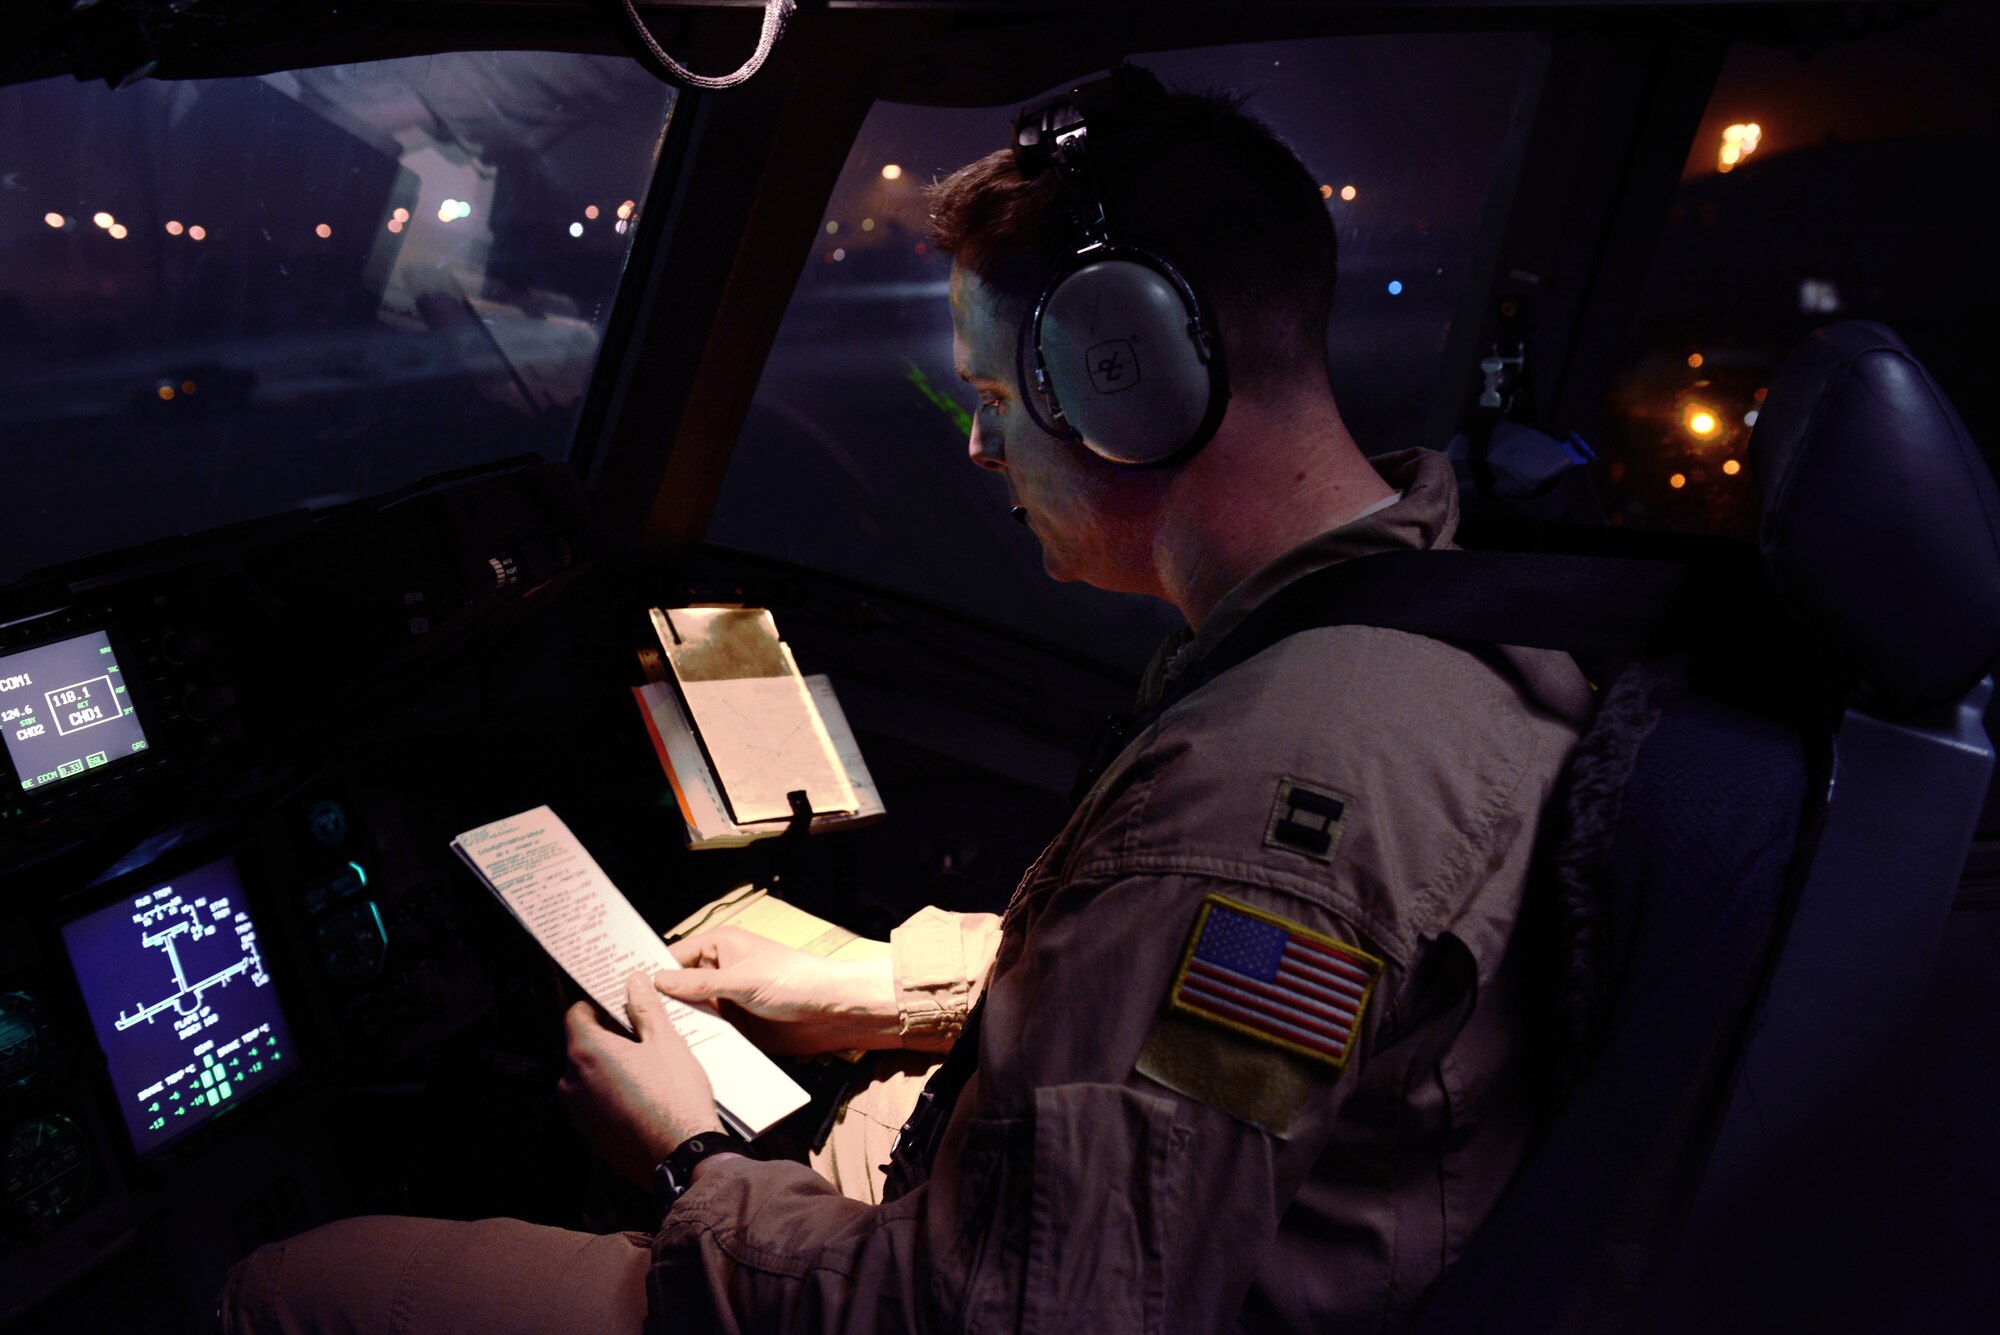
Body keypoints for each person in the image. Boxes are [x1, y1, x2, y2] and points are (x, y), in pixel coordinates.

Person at [219, 76, 1590, 1335]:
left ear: (1141, 381)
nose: (980, 440)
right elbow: (1229, 1040)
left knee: (291, 1289)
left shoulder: (1265, 807)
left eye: (998, 394)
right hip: (1076, 1208)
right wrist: (869, 987)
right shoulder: (1411, 615)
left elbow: (1016, 1318)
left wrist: (689, 1159)